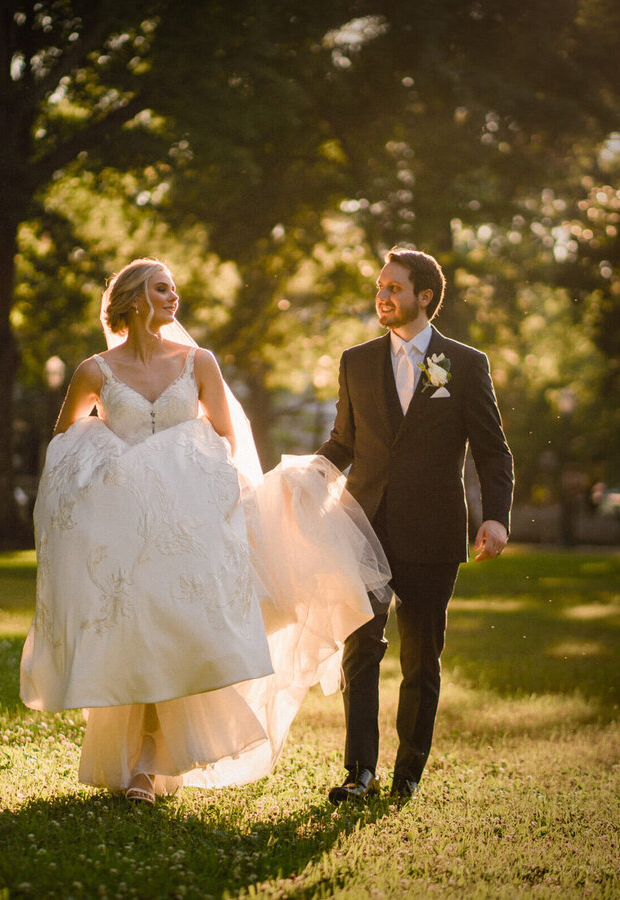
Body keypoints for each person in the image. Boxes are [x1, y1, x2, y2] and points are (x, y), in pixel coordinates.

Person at [20, 258, 391, 805]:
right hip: (125, 538)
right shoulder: (94, 372)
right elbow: (65, 447)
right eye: (161, 289)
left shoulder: (198, 363)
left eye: (174, 288)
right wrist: (112, 472)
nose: (173, 298)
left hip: (186, 532)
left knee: (176, 640)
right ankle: (144, 767)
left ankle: (151, 765)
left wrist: (182, 474)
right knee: (137, 640)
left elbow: (226, 440)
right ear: (132, 299)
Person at [316, 247, 514, 804]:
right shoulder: (355, 361)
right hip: (363, 527)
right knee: (360, 649)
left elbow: (493, 452)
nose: (383, 295)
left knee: (421, 659)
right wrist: (305, 479)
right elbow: (343, 443)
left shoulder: (464, 363)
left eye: (395, 288)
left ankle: (407, 775)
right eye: (380, 286)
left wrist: (496, 516)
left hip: (432, 530)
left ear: (425, 297)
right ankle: (360, 773)